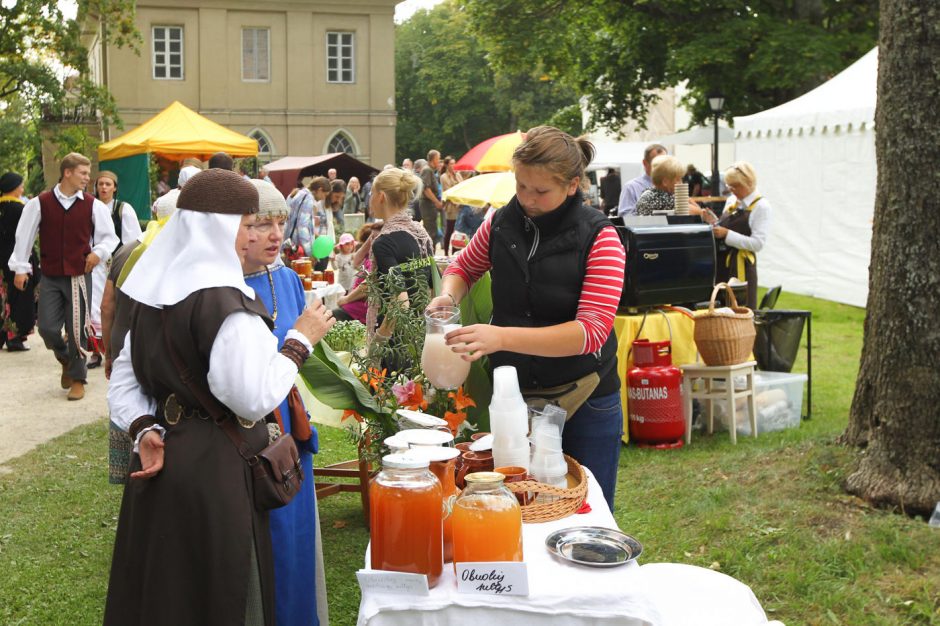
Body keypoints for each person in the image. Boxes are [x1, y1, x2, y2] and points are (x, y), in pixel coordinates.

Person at [104, 168, 334, 625]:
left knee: (167, 594)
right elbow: (252, 398)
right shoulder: (226, 304)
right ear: (221, 227)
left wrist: (144, 427)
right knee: (223, 596)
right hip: (218, 474)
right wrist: (299, 341)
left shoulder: (153, 292)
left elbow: (122, 382)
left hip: (164, 460)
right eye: (248, 224)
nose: (255, 236)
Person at [431, 126, 626, 511]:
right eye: (521, 187)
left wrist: (501, 338)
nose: (528, 199)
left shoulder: (600, 237)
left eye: (540, 192)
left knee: (585, 512)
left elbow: (589, 333)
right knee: (515, 508)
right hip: (515, 399)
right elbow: (464, 267)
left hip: (585, 397)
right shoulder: (502, 221)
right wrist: (447, 296)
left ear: (572, 186)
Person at [243, 179, 325, 626]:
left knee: (295, 541)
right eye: (260, 224)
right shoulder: (220, 286)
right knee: (263, 549)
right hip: (248, 433)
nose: (276, 233)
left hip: (290, 431)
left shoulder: (290, 278)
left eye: (279, 221)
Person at [9, 152, 119, 401]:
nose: (87, 178)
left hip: (80, 275)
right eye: (83, 173)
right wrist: (20, 268)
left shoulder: (92, 205)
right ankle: (66, 358)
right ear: (67, 173)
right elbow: (24, 236)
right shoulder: (40, 202)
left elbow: (108, 237)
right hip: (50, 275)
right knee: (47, 327)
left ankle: (78, 379)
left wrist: (97, 253)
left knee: (78, 327)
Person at [366, 168, 433, 338]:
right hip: (420, 332)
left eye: (371, 194)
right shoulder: (421, 234)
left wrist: (379, 341)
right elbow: (432, 286)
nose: (370, 199)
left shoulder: (384, 243)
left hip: (396, 340)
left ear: (381, 196)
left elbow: (400, 301)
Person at [89, 171, 142, 368]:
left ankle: (115, 349)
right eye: (100, 184)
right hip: (95, 265)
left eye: (107, 184)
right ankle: (95, 351)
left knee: (114, 307)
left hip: (115, 265)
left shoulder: (123, 209)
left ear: (115, 187)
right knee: (94, 307)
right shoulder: (90, 208)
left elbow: (132, 239)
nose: (103, 188)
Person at [712, 161, 772, 310]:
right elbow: (724, 225)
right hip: (722, 264)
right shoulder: (732, 200)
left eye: (735, 186)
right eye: (729, 186)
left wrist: (727, 235)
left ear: (749, 183)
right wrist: (712, 221)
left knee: (742, 310)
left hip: (742, 266)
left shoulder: (761, 206)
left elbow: (758, 244)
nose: (732, 190)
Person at [0, 172, 37, 352]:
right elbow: (25, 237)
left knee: (3, 297)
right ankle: (14, 338)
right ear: (15, 188)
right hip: (16, 260)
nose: (23, 188)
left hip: (1, 260)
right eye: (21, 185)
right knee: (18, 297)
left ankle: (2, 336)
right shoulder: (20, 209)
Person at [284, 176, 329, 261]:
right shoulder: (308, 199)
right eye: (325, 194)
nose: (324, 198)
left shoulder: (296, 194)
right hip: (299, 249)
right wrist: (309, 252)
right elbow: (302, 227)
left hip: (289, 245)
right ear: (319, 189)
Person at [617, 143, 667, 216]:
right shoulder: (631, 187)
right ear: (645, 163)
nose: (661, 167)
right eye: (656, 163)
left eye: (664, 163)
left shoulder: (672, 186)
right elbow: (624, 216)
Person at [418, 151, 443, 248]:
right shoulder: (427, 170)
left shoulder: (430, 170)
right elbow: (426, 189)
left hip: (430, 205)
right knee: (430, 231)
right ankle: (429, 256)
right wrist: (436, 202)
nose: (439, 161)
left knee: (432, 231)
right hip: (428, 205)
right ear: (434, 159)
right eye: (438, 159)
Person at [439, 156, 461, 255]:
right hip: (451, 207)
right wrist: (457, 202)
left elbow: (462, 186)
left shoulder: (458, 175)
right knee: (450, 230)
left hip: (460, 206)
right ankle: (446, 253)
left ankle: (455, 252)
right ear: (447, 165)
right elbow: (448, 191)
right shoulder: (443, 177)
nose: (453, 165)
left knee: (458, 231)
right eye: (451, 163)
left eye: (454, 163)